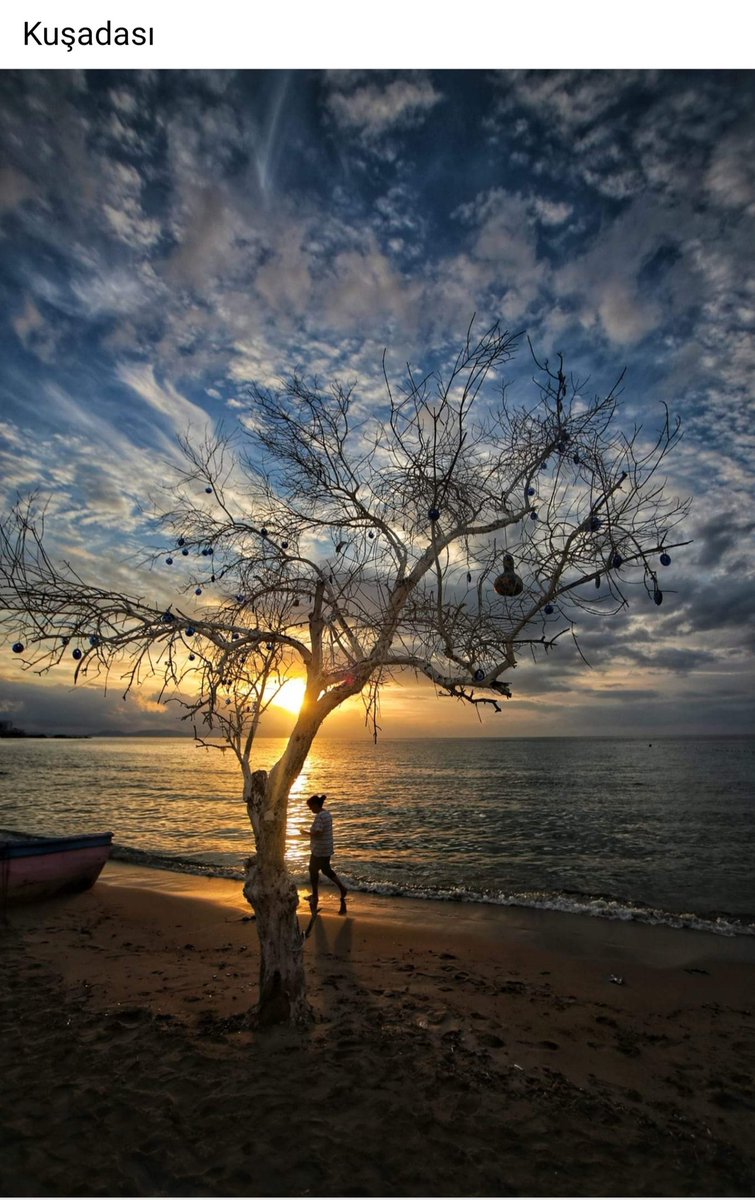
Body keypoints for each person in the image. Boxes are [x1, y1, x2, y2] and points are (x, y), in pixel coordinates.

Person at [304, 793, 348, 916]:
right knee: (326, 870)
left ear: (316, 805)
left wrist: (306, 833)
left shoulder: (319, 817)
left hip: (319, 849)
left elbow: (318, 832)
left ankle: (315, 896)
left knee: (313, 871)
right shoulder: (327, 814)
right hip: (327, 847)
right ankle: (342, 888)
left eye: (311, 807)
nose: (310, 809)